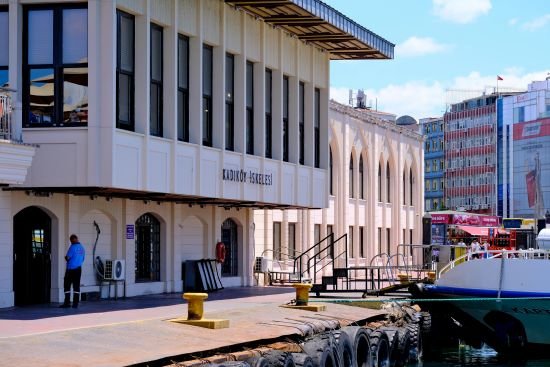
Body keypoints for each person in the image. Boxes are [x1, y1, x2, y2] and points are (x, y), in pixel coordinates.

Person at [60, 234, 85, 308]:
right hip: (78, 269)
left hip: (70, 269)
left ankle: (67, 303)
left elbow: (68, 257)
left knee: (67, 286)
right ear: (77, 239)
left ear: (71, 240)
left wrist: (66, 258)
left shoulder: (72, 247)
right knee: (76, 286)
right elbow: (83, 259)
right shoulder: (82, 248)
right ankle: (75, 304)